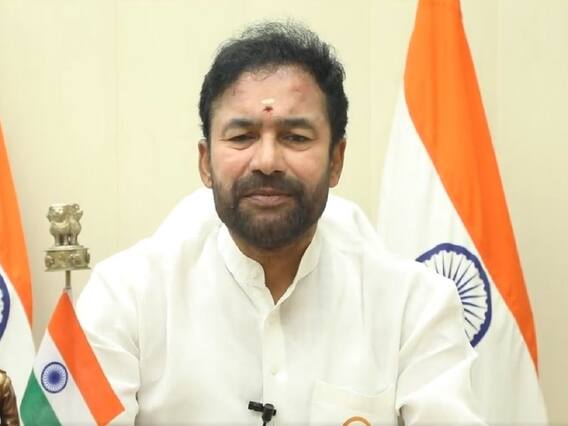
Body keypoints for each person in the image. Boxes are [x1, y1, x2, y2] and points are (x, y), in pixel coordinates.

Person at [77, 22, 485, 425]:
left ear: (336, 160)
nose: (267, 161)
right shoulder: (126, 298)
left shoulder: (413, 306)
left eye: (295, 137)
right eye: (242, 137)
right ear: (205, 162)